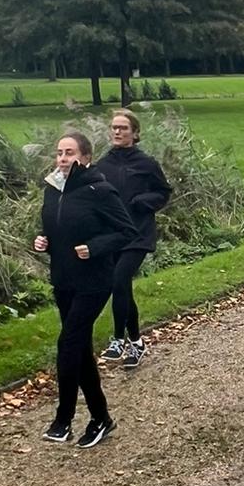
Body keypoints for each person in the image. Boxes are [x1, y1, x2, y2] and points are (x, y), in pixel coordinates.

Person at [34, 130, 135, 448]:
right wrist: (44, 241)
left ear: (86, 158)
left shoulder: (99, 190)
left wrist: (95, 247)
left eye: (69, 152)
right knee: (79, 350)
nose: (62, 158)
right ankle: (101, 417)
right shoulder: (53, 189)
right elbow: (57, 228)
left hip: (94, 282)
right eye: (59, 152)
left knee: (68, 344)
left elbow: (126, 231)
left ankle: (63, 419)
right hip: (64, 280)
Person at [92, 109, 172, 369]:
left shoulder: (146, 163)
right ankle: (136, 343)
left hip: (138, 233)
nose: (117, 132)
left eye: (123, 128)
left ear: (135, 133)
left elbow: (163, 192)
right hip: (112, 235)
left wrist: (143, 202)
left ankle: (118, 339)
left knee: (119, 280)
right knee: (122, 287)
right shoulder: (102, 165)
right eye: (114, 127)